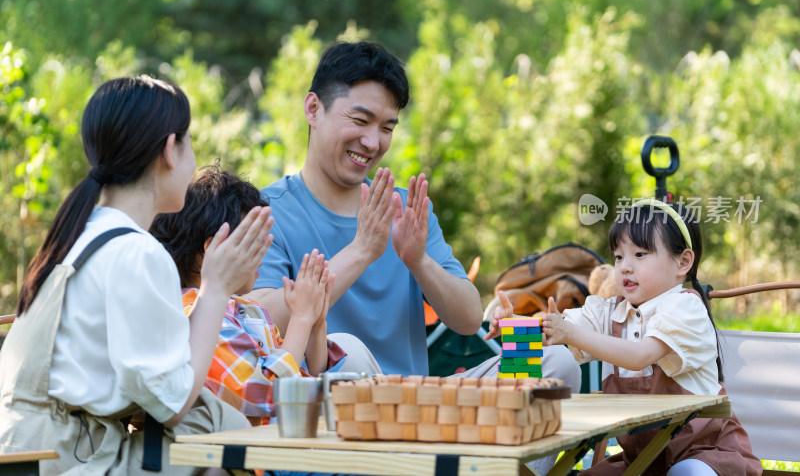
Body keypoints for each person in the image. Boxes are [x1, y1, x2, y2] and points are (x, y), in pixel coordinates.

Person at [246, 40, 580, 386]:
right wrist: (361, 251)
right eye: (360, 120)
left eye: (387, 128)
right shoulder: (265, 212)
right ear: (313, 109)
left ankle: (453, 432)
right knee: (346, 353)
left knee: (556, 363)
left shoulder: (406, 210)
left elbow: (468, 319)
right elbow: (260, 322)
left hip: (419, 402)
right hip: (327, 405)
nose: (373, 143)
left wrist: (418, 261)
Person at [0, 76, 272, 475]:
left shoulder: (80, 233)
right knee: (215, 431)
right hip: (60, 459)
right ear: (169, 150)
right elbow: (176, 405)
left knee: (211, 421)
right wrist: (215, 289)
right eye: (189, 142)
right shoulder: (136, 252)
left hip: (26, 450)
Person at [540, 199, 761, 475]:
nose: (624, 267)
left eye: (640, 254)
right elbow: (557, 327)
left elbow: (639, 356)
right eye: (619, 256)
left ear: (682, 262)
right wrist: (518, 323)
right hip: (642, 462)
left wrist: (570, 332)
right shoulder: (609, 312)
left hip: (706, 455)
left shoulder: (686, 308)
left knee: (687, 474)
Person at [151, 163, 350, 426]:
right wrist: (300, 319)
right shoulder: (195, 317)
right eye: (253, 243)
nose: (263, 256)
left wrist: (316, 323)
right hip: (257, 457)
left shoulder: (246, 310)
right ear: (212, 250)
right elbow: (269, 396)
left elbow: (307, 377)